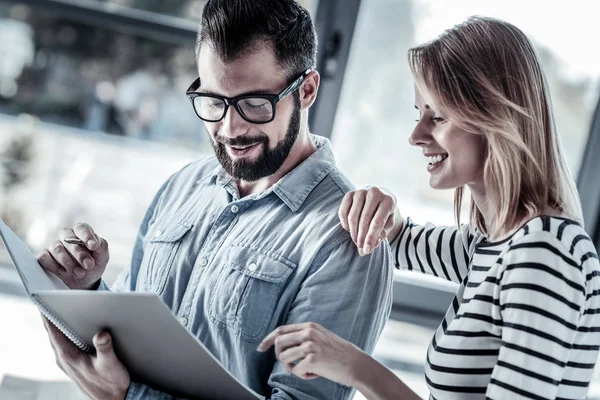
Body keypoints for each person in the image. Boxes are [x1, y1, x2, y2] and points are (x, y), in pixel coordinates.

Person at [35, 1, 393, 399]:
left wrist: (126, 397)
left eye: (255, 104)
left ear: (306, 90)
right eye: (214, 102)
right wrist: (88, 291)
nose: (229, 128)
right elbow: (129, 336)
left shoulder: (347, 239)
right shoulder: (184, 186)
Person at [259, 16, 600, 400]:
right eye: (417, 113)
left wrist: (355, 368)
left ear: (494, 120)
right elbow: (399, 238)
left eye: (437, 117)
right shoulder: (492, 243)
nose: (416, 135)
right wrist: (378, 205)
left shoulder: (542, 252)